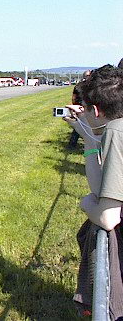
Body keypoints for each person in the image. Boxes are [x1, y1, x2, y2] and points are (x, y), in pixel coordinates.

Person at [63, 65, 123, 318]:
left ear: (95, 110)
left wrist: (86, 204)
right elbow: (104, 188)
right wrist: (88, 141)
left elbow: (108, 217)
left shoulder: (115, 130)